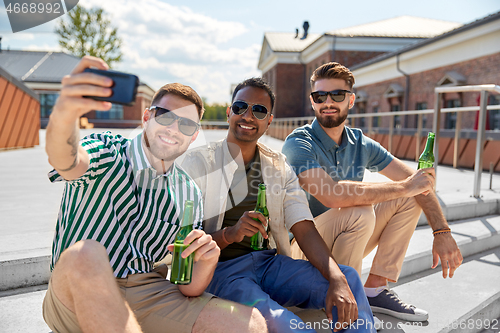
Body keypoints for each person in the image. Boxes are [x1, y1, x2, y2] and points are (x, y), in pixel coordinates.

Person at [42, 56, 267, 333]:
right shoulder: (108, 151)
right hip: (78, 288)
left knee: (251, 324)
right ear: (146, 117)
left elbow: (187, 285)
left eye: (186, 125)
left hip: (145, 290)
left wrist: (207, 261)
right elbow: (66, 160)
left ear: (194, 135)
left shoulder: (188, 192)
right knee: (85, 253)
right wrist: (65, 113)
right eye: (165, 116)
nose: (174, 129)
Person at [181, 77, 376, 332]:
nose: (248, 116)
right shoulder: (197, 165)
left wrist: (336, 277)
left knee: (347, 278)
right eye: (240, 107)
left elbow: (303, 227)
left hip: (269, 263)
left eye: (259, 110)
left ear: (269, 120)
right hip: (222, 272)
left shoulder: (278, 166)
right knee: (287, 324)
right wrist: (231, 234)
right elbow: (183, 241)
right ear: (229, 112)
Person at [282, 62, 464, 322]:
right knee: (362, 210)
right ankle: (347, 300)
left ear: (351, 100)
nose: (328, 102)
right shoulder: (299, 142)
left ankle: (374, 289)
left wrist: (442, 231)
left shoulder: (360, 143)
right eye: (319, 96)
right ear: (312, 102)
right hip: (301, 248)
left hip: (343, 237)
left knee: (409, 198)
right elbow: (330, 194)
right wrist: (405, 186)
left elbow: (418, 183)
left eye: (338, 95)